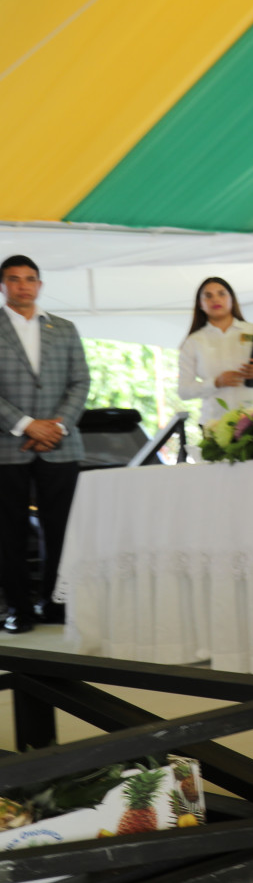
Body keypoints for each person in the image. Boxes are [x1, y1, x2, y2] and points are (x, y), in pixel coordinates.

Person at [0, 255, 88, 634]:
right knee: (9, 533)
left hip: (60, 444)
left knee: (62, 529)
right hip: (7, 445)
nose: (23, 285)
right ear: (3, 285)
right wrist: (27, 426)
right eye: (14, 279)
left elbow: (80, 382)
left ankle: (56, 603)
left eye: (30, 279)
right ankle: (19, 609)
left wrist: (57, 426)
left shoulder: (64, 328)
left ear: (39, 285)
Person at [176, 277, 253, 431]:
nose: (215, 299)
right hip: (217, 425)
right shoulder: (194, 341)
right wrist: (215, 382)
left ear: (232, 299)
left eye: (221, 294)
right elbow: (184, 391)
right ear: (200, 304)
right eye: (208, 296)